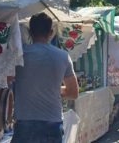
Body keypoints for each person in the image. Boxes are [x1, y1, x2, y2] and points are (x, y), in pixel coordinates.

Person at [12, 13, 79, 143]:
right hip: (52, 122)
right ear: (51, 32)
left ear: (30, 32)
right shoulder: (63, 56)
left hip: (25, 122)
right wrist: (52, 89)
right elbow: (73, 93)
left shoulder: (20, 55)